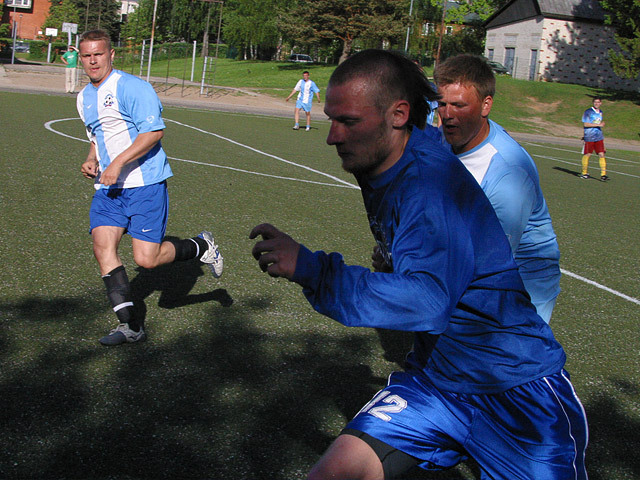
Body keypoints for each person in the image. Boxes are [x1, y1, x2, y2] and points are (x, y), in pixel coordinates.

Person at [250, 50, 587, 480]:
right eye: (332, 119)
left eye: (348, 121)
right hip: (437, 382)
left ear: (398, 115)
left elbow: (428, 300)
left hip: (517, 393)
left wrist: (313, 269)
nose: (333, 136)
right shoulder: (389, 152)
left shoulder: (429, 188)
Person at [76, 30, 224, 346]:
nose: (93, 61)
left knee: (147, 260)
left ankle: (200, 246)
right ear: (80, 58)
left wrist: (118, 164)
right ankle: (131, 326)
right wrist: (92, 159)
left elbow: (153, 133)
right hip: (109, 190)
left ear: (111, 54)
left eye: (98, 54)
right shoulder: (84, 97)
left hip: (145, 185)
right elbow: (96, 136)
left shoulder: (133, 87)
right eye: (86, 55)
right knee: (103, 248)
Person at [433, 54, 560, 324]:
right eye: (442, 104)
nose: (447, 115)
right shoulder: (449, 139)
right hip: (476, 260)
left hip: (521, 287)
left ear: (486, 105)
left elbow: (488, 262)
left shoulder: (507, 176)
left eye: (459, 105)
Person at [581, 97, 608, 181]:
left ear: (601, 103)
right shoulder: (588, 112)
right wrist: (598, 125)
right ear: (593, 103)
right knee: (588, 154)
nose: (597, 103)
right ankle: (584, 173)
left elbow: (598, 124)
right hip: (590, 136)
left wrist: (599, 127)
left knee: (602, 154)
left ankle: (603, 175)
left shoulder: (600, 112)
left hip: (598, 136)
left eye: (598, 102)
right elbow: (586, 124)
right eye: (595, 102)